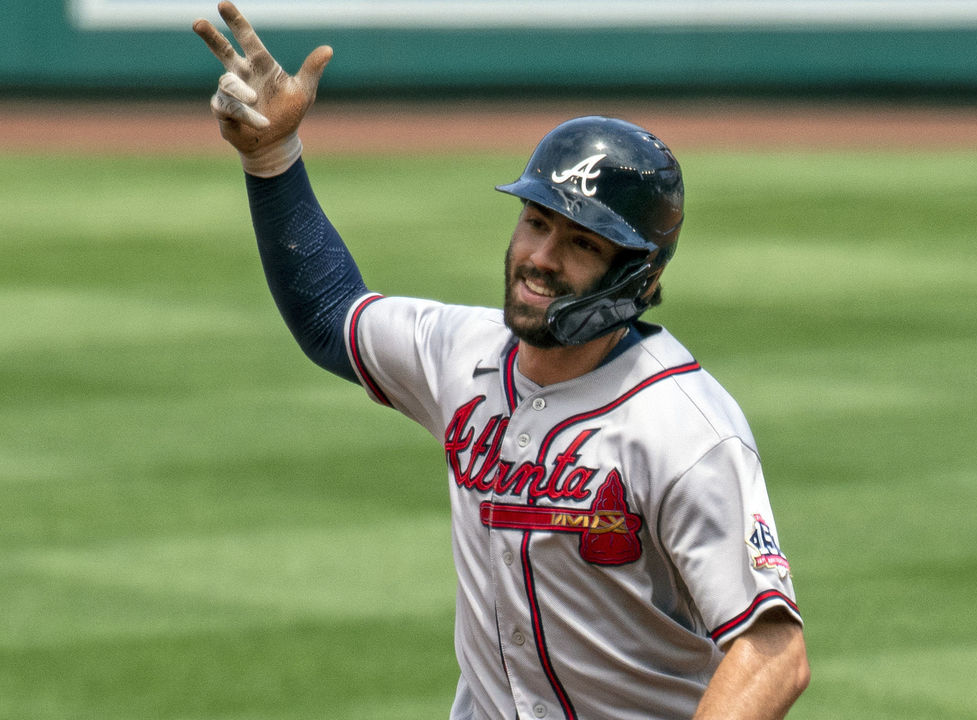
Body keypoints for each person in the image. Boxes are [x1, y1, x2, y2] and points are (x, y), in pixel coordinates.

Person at [193, 3, 808, 718]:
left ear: (635, 277)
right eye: (536, 223)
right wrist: (271, 161)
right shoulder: (465, 352)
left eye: (581, 245)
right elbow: (332, 318)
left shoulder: (685, 431)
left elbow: (774, 655)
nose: (539, 259)